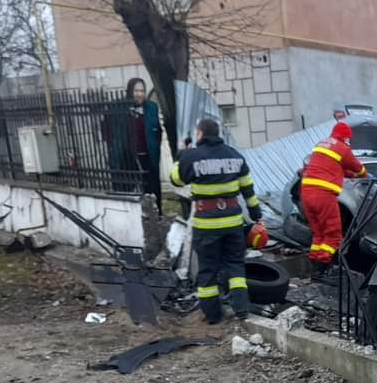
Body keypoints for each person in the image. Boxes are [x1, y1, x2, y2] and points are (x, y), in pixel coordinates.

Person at [171, 118, 261, 324]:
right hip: (233, 223)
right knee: (236, 266)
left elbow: (175, 178)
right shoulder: (235, 156)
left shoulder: (191, 158)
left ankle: (212, 315)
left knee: (208, 270)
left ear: (200, 134)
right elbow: (248, 189)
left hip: (207, 225)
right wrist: (256, 214)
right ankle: (241, 309)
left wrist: (181, 155)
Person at [299, 121, 365, 279]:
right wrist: (364, 174)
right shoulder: (343, 147)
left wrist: (349, 174)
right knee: (333, 234)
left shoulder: (322, 144)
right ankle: (323, 267)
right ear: (346, 137)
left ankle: (315, 266)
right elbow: (356, 166)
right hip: (323, 195)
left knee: (318, 233)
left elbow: (334, 167)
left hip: (306, 193)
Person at [105, 78, 163, 212]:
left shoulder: (151, 108)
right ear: (130, 91)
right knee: (127, 193)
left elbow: (157, 131)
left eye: (142, 91)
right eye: (136, 90)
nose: (139, 94)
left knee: (151, 191)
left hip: (147, 156)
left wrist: (154, 146)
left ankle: (155, 218)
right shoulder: (118, 107)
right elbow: (108, 131)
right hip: (125, 158)